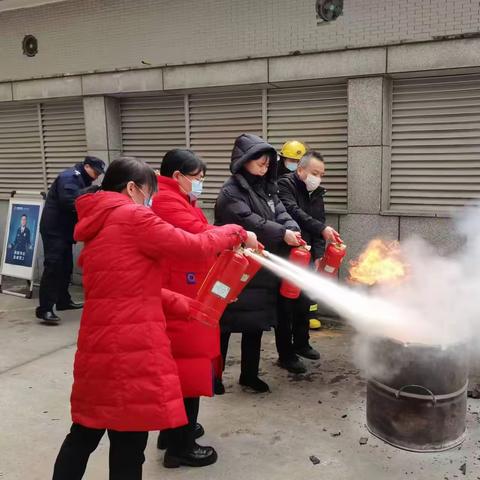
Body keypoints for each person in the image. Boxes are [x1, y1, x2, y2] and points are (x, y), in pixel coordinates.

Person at [51, 156, 255, 480]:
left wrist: (181, 305)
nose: (151, 201)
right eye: (149, 193)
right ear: (131, 188)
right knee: (129, 439)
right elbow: (194, 246)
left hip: (98, 346)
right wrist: (235, 231)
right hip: (132, 349)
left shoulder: (99, 222)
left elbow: (125, 287)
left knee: (85, 432)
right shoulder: (132, 216)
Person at [152, 149, 240, 468]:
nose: (201, 184)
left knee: (182, 369)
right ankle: (181, 447)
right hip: (182, 298)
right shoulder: (166, 200)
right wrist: (237, 233)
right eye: (198, 178)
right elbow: (201, 235)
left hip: (187, 292)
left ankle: (173, 432)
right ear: (178, 176)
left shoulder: (175, 198)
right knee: (188, 369)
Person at [215, 133, 302, 393]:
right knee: (224, 326)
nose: (265, 169)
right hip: (236, 267)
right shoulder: (231, 192)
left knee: (255, 324)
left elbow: (282, 213)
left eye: (267, 165)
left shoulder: (268, 188)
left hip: (261, 268)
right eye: (260, 164)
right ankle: (214, 377)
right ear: (244, 161)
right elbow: (251, 221)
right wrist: (281, 233)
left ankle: (249, 375)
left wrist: (292, 228)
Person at [277, 149, 342, 373]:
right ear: (300, 169)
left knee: (304, 302)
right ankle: (286, 355)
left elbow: (319, 222)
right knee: (286, 306)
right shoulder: (284, 185)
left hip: (308, 255)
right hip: (288, 254)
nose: (318, 178)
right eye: (315, 172)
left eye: (322, 174)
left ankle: (302, 344)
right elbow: (293, 212)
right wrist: (321, 229)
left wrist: (318, 255)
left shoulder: (316, 192)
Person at [36, 156, 106, 324]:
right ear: (86, 166)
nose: (96, 176)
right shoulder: (70, 177)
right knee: (53, 266)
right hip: (55, 230)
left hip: (64, 230)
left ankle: (63, 300)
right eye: (95, 172)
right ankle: (45, 309)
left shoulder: (82, 177)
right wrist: (90, 193)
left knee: (66, 266)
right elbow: (69, 202)